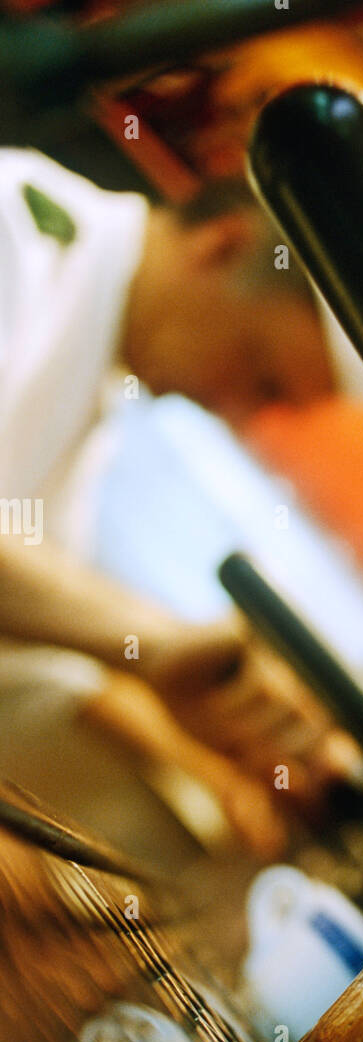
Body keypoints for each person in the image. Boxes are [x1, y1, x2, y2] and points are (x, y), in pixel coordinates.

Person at [0, 147, 342, 857]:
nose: (236, 415)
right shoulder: (19, 224)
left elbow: (35, 654)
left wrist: (211, 763)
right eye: (260, 375)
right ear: (223, 244)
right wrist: (155, 641)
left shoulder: (97, 395)